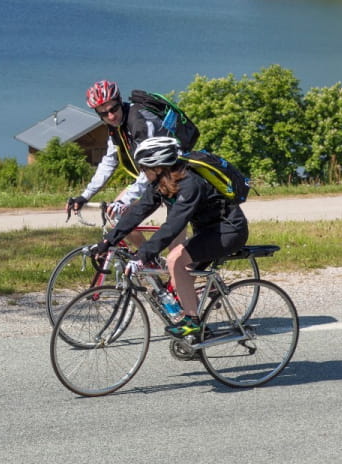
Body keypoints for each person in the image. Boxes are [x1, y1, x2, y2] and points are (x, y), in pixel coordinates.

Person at [101, 135, 249, 338]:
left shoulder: (190, 184)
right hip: (207, 231)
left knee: (175, 259)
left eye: (145, 168)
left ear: (158, 167)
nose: (143, 173)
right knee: (178, 272)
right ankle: (197, 336)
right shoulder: (164, 182)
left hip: (229, 231)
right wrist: (108, 240)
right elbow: (139, 211)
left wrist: (142, 255)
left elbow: (173, 226)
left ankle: (193, 322)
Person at [65, 80, 171, 249]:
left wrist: (124, 201)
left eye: (113, 109)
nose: (111, 116)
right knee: (116, 215)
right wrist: (85, 196)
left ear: (120, 101)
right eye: (104, 114)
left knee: (176, 252)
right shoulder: (116, 127)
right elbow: (108, 162)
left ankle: (176, 268)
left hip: (175, 179)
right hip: (153, 178)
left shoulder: (139, 121)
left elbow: (151, 167)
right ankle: (149, 261)